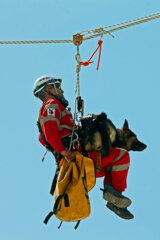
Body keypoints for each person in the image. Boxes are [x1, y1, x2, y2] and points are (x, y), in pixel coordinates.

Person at [33, 75, 134, 220]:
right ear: (49, 89)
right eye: (58, 88)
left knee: (113, 165)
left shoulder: (58, 109)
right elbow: (49, 129)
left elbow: (45, 137)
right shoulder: (51, 104)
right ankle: (114, 196)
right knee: (120, 156)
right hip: (78, 158)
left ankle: (113, 195)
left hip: (81, 163)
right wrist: (63, 150)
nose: (62, 91)